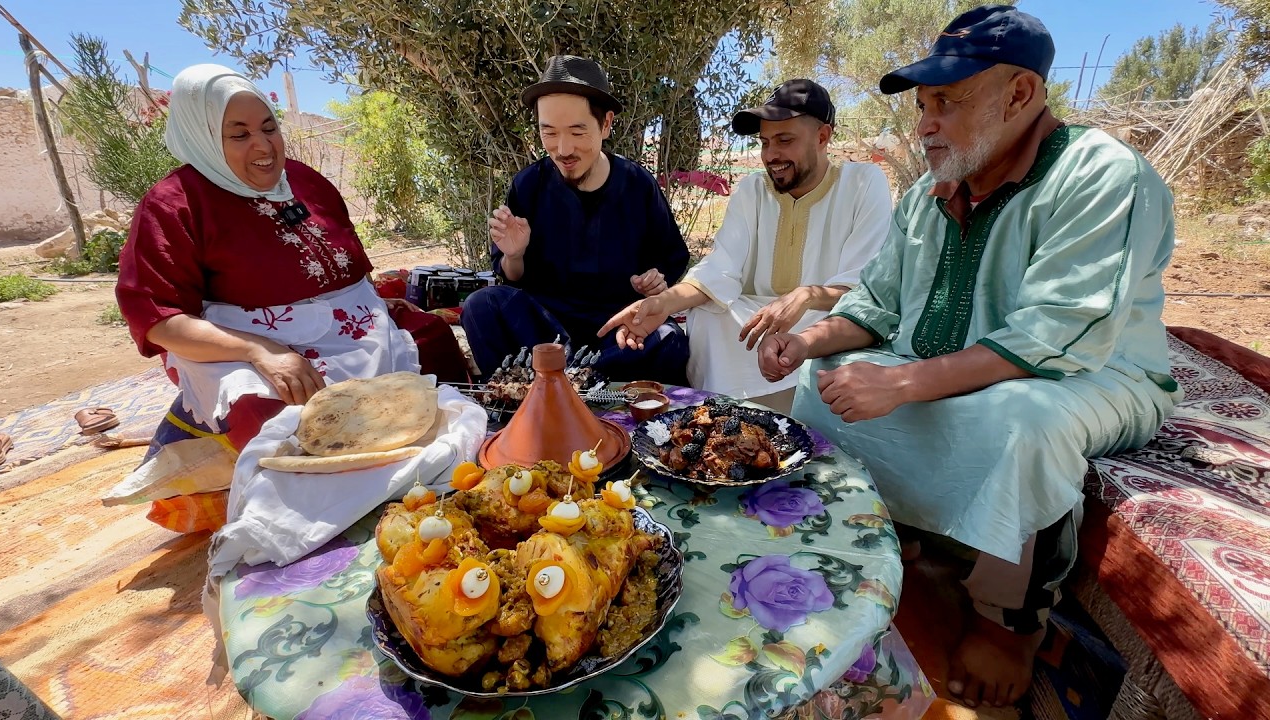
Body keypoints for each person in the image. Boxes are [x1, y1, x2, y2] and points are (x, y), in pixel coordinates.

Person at [757, 5, 1182, 708]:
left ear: (1020, 94)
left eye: (946, 102)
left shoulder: (1104, 175)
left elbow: (1054, 337)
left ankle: (1005, 621)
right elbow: (876, 309)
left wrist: (905, 385)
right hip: (957, 370)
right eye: (923, 104)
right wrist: (804, 341)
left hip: (1092, 374)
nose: (924, 123)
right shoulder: (929, 194)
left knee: (1022, 422)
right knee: (821, 378)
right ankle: (899, 531)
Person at [116, 64, 468, 523]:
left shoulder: (303, 181)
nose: (263, 146)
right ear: (202, 136)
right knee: (280, 418)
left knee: (431, 340)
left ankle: (442, 476)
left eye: (269, 128)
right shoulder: (174, 203)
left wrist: (375, 305)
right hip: (244, 342)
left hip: (349, 331)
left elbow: (345, 264)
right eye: (238, 135)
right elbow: (161, 320)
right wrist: (261, 350)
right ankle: (329, 517)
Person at [597, 80, 890, 409]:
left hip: (824, 322)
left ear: (822, 137)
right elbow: (721, 269)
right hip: (759, 320)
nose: (771, 155)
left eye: (784, 140)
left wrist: (807, 296)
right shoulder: (754, 190)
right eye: (765, 142)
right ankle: (723, 416)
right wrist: (664, 304)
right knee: (707, 314)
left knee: (833, 329)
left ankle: (780, 415)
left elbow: (865, 290)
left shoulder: (864, 184)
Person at [460, 55, 691, 384]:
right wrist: (515, 254)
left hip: (617, 329)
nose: (563, 148)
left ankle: (567, 381)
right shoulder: (528, 185)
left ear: (606, 124)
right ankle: (561, 388)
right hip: (544, 331)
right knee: (481, 306)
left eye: (577, 132)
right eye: (549, 133)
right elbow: (511, 280)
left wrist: (655, 281)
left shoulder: (637, 185)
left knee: (669, 340)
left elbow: (669, 261)